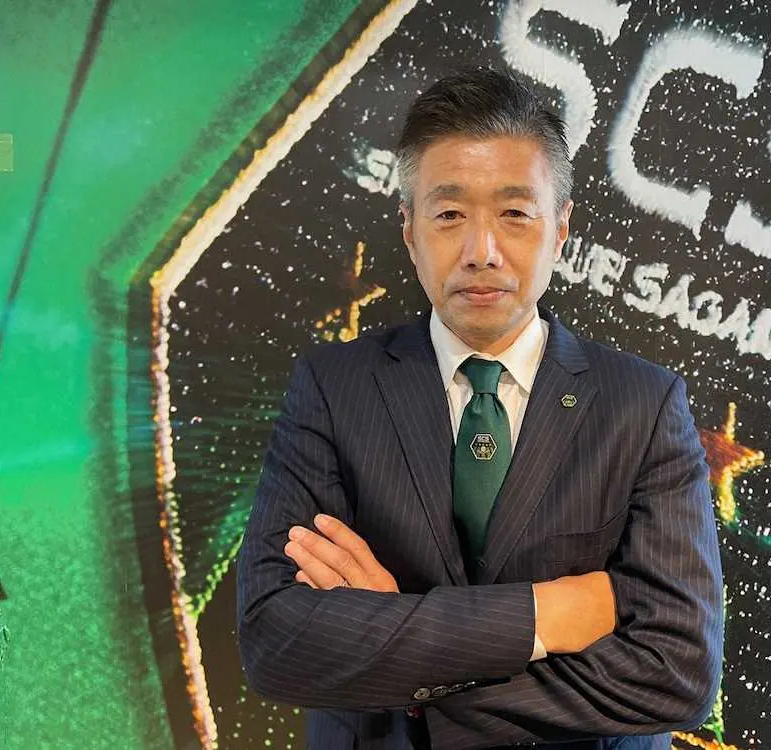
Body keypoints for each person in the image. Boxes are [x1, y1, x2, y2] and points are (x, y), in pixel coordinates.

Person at [236, 68, 723, 750]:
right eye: (449, 215)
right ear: (410, 232)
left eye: (515, 214)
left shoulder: (643, 406)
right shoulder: (332, 387)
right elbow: (275, 640)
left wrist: (405, 663)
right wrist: (542, 615)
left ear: (561, 229)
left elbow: (679, 673)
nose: (481, 252)